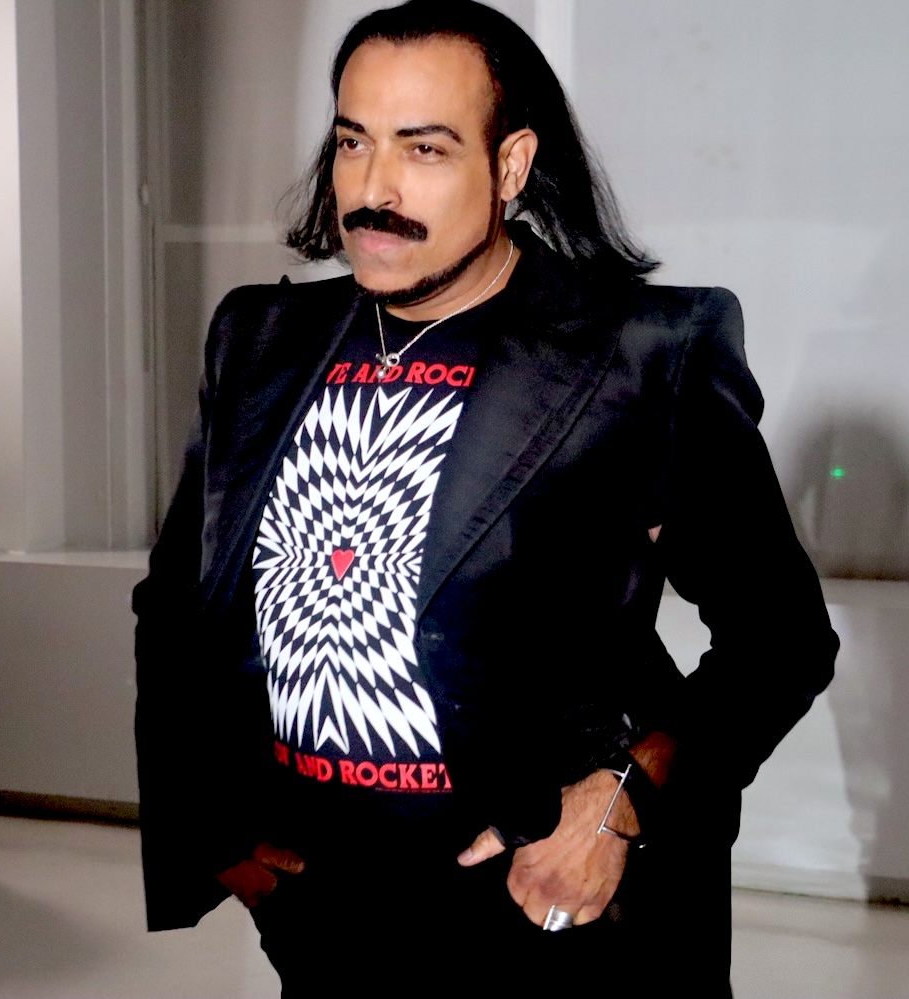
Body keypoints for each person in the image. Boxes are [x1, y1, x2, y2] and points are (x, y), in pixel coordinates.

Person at [133, 2, 838, 994]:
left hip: (544, 901)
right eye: (353, 142)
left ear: (510, 166)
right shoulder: (259, 338)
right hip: (320, 902)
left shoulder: (643, 354)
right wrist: (210, 826)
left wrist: (620, 802)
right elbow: (177, 602)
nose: (372, 190)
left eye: (424, 149)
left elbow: (780, 639)